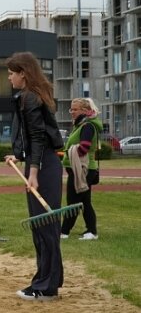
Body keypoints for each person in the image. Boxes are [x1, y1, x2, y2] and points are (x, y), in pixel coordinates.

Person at [5, 51, 65, 302]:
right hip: (42, 162)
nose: (9, 78)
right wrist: (18, 155)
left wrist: (33, 173)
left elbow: (39, 138)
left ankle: (46, 286)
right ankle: (48, 280)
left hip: (44, 166)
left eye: (11, 73)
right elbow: (31, 135)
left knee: (45, 225)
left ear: (23, 73)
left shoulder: (30, 98)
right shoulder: (31, 96)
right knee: (42, 226)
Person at [61, 97, 102, 241]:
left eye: (75, 109)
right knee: (84, 202)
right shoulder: (79, 126)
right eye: (70, 109)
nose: (71, 112)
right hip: (80, 170)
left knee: (74, 202)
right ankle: (91, 231)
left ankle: (64, 232)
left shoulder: (87, 127)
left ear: (85, 111)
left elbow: (84, 148)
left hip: (83, 171)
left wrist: (69, 152)